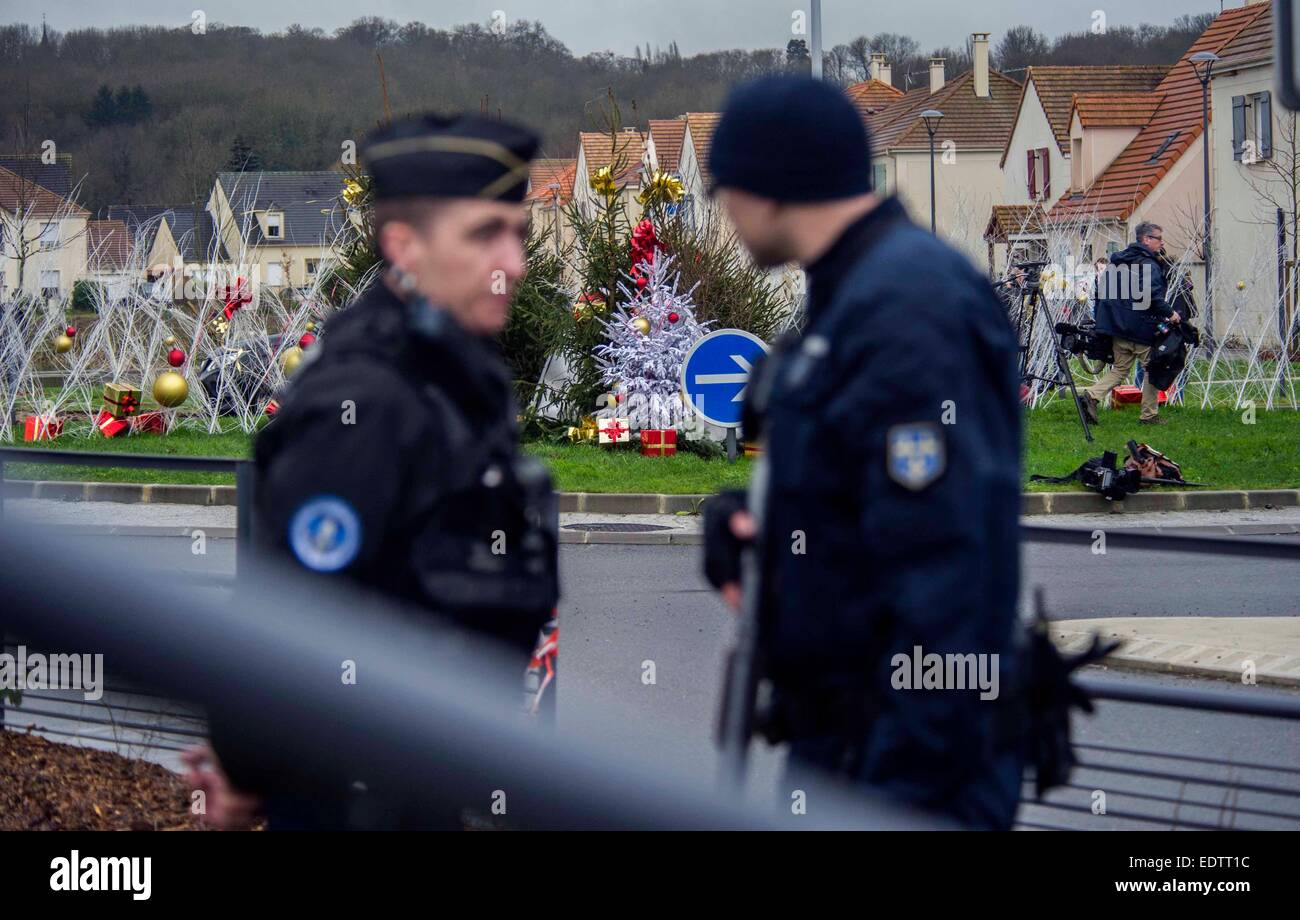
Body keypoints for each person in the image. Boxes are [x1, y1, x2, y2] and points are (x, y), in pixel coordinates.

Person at [188, 113, 559, 829]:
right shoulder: (367, 401)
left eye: (517, 233)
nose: (511, 262)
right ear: (403, 246)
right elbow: (287, 612)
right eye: (484, 234)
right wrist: (246, 768)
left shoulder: (451, 376)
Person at [702, 76, 1024, 830]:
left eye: (725, 188)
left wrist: (901, 789)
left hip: (907, 764)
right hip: (849, 740)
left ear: (772, 187)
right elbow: (852, 493)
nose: (722, 212)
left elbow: (946, 569)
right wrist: (749, 523)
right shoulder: (850, 295)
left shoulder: (909, 307)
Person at [1078, 223, 1181, 426]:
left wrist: (1105, 325)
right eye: (1158, 238)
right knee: (1153, 368)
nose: (1162, 242)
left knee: (1119, 369)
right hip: (1141, 328)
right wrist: (1171, 314)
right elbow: (1151, 296)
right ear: (1146, 239)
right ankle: (1149, 415)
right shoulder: (1148, 265)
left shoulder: (1117, 263)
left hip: (1118, 327)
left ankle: (1091, 395)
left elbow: (1103, 294)